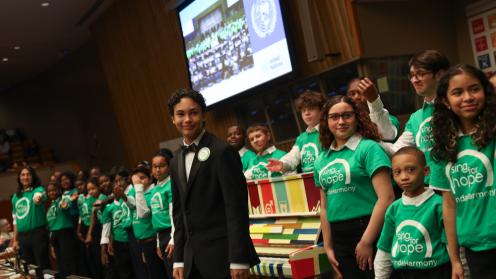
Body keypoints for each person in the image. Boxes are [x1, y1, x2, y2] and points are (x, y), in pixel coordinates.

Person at [167, 89, 259, 279]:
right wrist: (178, 259)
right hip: (191, 261)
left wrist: (238, 258)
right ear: (172, 119)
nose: (187, 119)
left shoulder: (222, 150)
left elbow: (236, 208)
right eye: (180, 114)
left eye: (193, 112)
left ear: (203, 115)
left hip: (223, 257)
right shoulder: (175, 159)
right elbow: (179, 213)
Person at [313, 95, 394, 278]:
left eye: (347, 115)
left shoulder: (368, 148)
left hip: (370, 229)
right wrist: (328, 245)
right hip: (339, 236)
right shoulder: (320, 160)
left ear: (357, 118)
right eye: (334, 117)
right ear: (326, 122)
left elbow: (387, 198)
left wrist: (366, 241)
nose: (341, 122)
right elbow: (324, 208)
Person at [429, 64, 496, 279]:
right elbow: (449, 205)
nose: (468, 97)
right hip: (474, 247)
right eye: (457, 92)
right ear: (445, 101)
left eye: (474, 89)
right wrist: (455, 259)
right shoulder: (444, 147)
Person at [359, 50, 450, 184]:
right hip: (432, 189)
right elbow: (397, 151)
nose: (414, 80)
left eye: (421, 74)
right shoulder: (416, 118)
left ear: (440, 74)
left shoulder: (456, 107)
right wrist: (364, 140)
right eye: (412, 75)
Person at [374, 147, 450, 278]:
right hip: (404, 273)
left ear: (426, 171)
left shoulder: (440, 205)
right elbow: (384, 250)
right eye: (397, 172)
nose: (404, 177)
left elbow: (452, 245)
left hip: (437, 272)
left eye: (411, 170)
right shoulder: (394, 208)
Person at [267, 90, 326, 173]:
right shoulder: (301, 138)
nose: (307, 113)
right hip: (307, 181)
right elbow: (293, 156)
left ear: (321, 111)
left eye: (311, 109)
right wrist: (283, 164)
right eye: (303, 110)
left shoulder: (328, 131)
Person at [11, 166, 50, 270]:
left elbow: (38, 196)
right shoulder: (15, 197)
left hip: (38, 234)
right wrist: (15, 240)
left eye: (28, 174)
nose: (25, 177)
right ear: (19, 178)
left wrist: (37, 198)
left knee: (43, 266)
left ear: (33, 177)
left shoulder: (39, 190)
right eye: (23, 175)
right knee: (30, 268)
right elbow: (15, 221)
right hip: (22, 238)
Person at [131, 165, 166, 279]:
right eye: (137, 180)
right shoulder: (140, 193)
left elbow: (143, 213)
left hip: (154, 240)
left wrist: (138, 188)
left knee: (160, 274)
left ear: (150, 178)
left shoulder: (152, 192)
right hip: (144, 242)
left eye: (142, 178)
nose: (139, 182)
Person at [347, 78, 400, 142]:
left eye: (361, 92)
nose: (356, 97)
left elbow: (387, 136)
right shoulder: (348, 124)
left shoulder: (390, 120)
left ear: (371, 94)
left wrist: (374, 100)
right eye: (352, 94)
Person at [100, 180, 134, 279]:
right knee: (124, 272)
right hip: (119, 243)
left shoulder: (129, 201)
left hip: (133, 240)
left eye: (121, 186)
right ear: (112, 191)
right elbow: (106, 230)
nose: (118, 188)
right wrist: (104, 249)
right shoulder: (109, 208)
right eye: (116, 187)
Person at [46, 181, 78, 277]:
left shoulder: (64, 199)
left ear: (59, 190)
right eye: (49, 191)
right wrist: (51, 244)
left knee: (68, 261)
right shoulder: (51, 205)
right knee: (60, 263)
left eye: (54, 190)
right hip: (54, 235)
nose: (51, 193)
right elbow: (50, 226)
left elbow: (65, 204)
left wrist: (64, 206)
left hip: (65, 234)